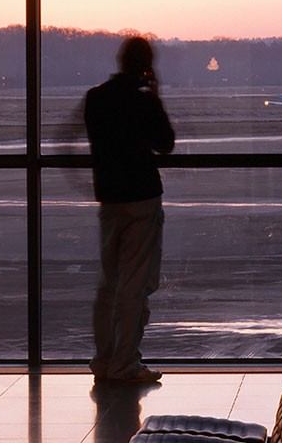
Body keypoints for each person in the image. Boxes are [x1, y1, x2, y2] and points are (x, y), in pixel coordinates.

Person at [84, 36, 176, 384]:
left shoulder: (95, 98)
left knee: (110, 282)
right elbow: (165, 143)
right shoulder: (142, 101)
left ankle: (104, 358)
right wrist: (155, 95)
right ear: (146, 66)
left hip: (109, 198)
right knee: (134, 285)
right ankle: (125, 362)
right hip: (141, 197)